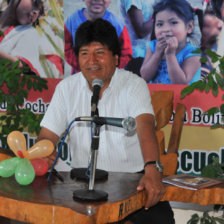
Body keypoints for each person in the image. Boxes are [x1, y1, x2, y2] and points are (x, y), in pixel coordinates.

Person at [37, 18, 175, 224]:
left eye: (100, 53)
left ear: (116, 58)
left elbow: (145, 127)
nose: (92, 61)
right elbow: (47, 137)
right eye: (84, 54)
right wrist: (43, 154)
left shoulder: (133, 85)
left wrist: (152, 168)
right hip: (82, 185)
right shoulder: (66, 89)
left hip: (132, 182)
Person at [140, 0, 201, 85]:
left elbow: (180, 84)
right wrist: (157, 54)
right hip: (157, 96)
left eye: (173, 23)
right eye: (160, 24)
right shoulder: (153, 46)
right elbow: (145, 76)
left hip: (183, 97)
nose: (165, 29)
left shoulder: (193, 53)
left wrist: (170, 55)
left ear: (189, 27)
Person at [64, 0, 132, 74]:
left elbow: (126, 52)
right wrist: (81, 64)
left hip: (108, 78)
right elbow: (66, 48)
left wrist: (109, 68)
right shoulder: (72, 20)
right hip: (80, 77)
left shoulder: (118, 25)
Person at [0, 0, 45, 75]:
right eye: (35, 3)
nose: (36, 13)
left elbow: (20, 67)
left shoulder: (29, 32)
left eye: (39, 12)